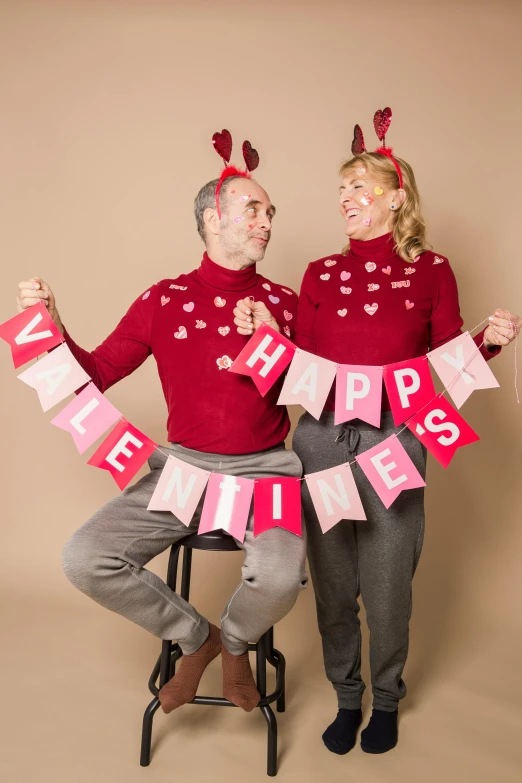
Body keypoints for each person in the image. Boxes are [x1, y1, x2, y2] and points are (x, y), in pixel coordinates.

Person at [234, 117, 521, 753]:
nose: (344, 199)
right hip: (322, 438)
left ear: (396, 197)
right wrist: (261, 339)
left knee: (389, 583)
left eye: (358, 186)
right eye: (342, 189)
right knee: (334, 584)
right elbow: (300, 363)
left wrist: (488, 342)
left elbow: (447, 358)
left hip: (398, 437)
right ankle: (345, 695)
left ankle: (385, 699)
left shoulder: (432, 270)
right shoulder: (318, 273)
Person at [16, 150, 308, 715]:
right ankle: (198, 639)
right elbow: (96, 373)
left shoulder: (285, 303)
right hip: (180, 471)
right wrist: (52, 327)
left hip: (267, 471)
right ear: (212, 218)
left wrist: (280, 341)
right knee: (84, 558)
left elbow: (321, 390)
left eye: (271, 212)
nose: (268, 222)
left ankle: (237, 643)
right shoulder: (164, 300)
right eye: (253, 209)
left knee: (279, 577)